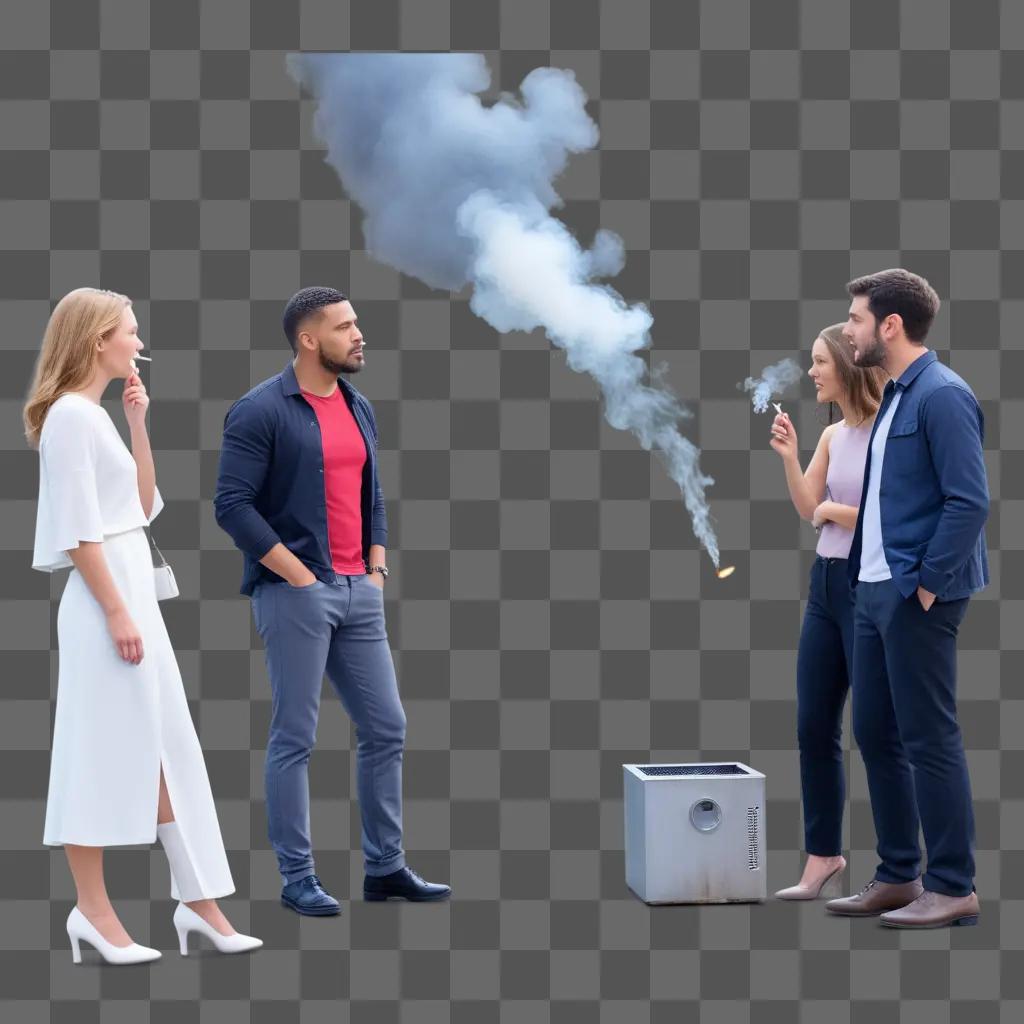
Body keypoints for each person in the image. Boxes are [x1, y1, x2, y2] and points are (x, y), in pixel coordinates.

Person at [25, 288, 261, 965]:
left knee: (164, 746)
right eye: (130, 331)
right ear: (98, 339)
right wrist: (118, 611)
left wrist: (138, 424)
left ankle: (199, 902)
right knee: (94, 750)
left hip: (126, 595)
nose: (138, 341)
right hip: (107, 603)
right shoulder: (70, 417)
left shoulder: (95, 416)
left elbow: (141, 506)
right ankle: (94, 914)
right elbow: (77, 531)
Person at [214, 286, 450, 915]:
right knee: (296, 735)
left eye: (357, 324)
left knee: (386, 727)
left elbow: (372, 489)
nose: (359, 335)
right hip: (297, 594)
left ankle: (385, 867)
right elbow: (231, 507)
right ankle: (297, 879)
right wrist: (296, 576)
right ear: (308, 339)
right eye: (345, 327)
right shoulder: (259, 410)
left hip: (359, 592)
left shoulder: (358, 405)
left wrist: (376, 564)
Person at [824, 268, 989, 928]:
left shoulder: (943, 396)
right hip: (871, 592)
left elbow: (969, 501)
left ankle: (953, 887)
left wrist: (924, 584)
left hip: (914, 596)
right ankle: (898, 874)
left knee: (929, 739)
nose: (849, 329)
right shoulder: (894, 396)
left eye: (857, 318)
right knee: (874, 732)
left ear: (890, 326)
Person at [767, 325, 886, 901]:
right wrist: (791, 458)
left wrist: (834, 511)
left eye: (819, 362)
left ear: (846, 363)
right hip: (826, 586)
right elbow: (809, 509)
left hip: (872, 585)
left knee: (877, 730)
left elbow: (888, 519)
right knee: (813, 725)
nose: (811, 372)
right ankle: (822, 856)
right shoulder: (835, 435)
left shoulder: (891, 427)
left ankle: (900, 868)